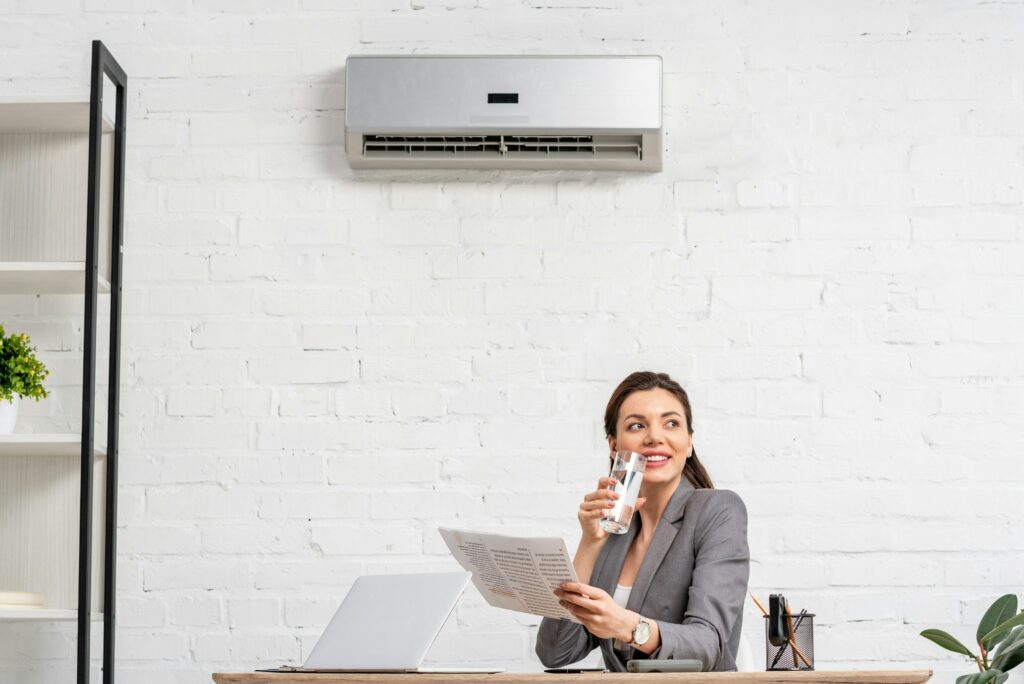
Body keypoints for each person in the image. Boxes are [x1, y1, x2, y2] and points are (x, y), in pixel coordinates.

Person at [535, 371, 750, 672]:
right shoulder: (614, 531)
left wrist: (626, 626)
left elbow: (708, 644)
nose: (654, 437)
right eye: (637, 425)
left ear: (688, 443)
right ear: (613, 445)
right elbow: (555, 652)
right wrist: (589, 543)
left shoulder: (717, 511)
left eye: (671, 423)